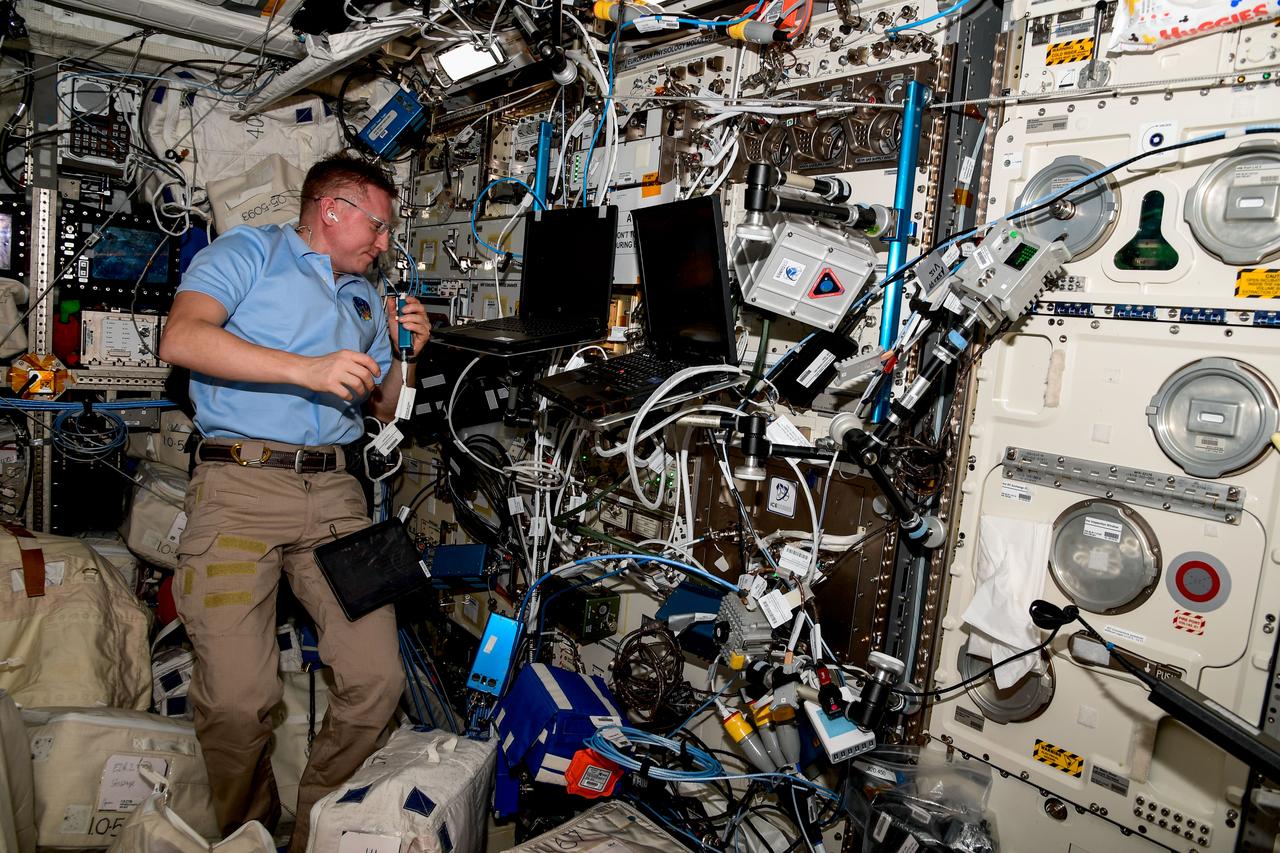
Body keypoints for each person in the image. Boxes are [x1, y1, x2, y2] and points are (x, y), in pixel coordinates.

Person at [158, 153, 429, 852]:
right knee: (239, 702)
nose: (383, 243)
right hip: (241, 486)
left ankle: (312, 832)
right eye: (376, 226)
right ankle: (250, 832)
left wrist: (407, 355)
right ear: (333, 210)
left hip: (337, 492)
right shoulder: (249, 253)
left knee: (377, 680)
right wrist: (305, 369)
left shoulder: (368, 299)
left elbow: (385, 405)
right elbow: (181, 338)